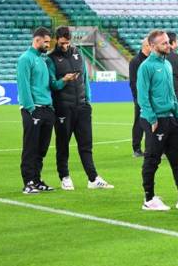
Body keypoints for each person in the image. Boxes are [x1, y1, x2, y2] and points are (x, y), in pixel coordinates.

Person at [136, 29, 178, 211]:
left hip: (171, 118)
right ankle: (149, 199)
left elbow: (172, 92)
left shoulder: (167, 64)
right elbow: (142, 96)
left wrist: (176, 113)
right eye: (164, 43)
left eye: (168, 42)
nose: (168, 45)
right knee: (152, 159)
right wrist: (152, 119)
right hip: (155, 120)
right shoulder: (146, 67)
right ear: (152, 46)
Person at [48, 26, 112, 191]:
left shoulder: (78, 53)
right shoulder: (51, 59)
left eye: (67, 42)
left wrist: (87, 101)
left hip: (82, 107)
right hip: (63, 107)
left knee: (86, 145)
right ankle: (65, 176)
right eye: (62, 43)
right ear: (57, 40)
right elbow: (52, 85)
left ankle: (93, 178)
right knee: (63, 145)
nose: (65, 46)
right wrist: (64, 80)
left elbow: (85, 79)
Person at [16, 27, 56, 194]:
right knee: (30, 147)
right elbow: (23, 85)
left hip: (47, 109)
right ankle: (28, 182)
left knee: (41, 148)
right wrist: (31, 108)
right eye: (46, 41)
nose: (48, 45)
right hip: (33, 110)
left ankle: (37, 180)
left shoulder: (43, 60)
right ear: (37, 40)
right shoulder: (26, 59)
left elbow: (48, 85)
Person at [129, 37, 151, 158]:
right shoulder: (135, 61)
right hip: (141, 98)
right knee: (139, 123)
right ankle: (136, 148)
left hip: (152, 97)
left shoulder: (152, 60)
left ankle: (150, 147)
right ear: (146, 46)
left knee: (151, 122)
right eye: (150, 45)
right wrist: (138, 99)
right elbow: (133, 82)